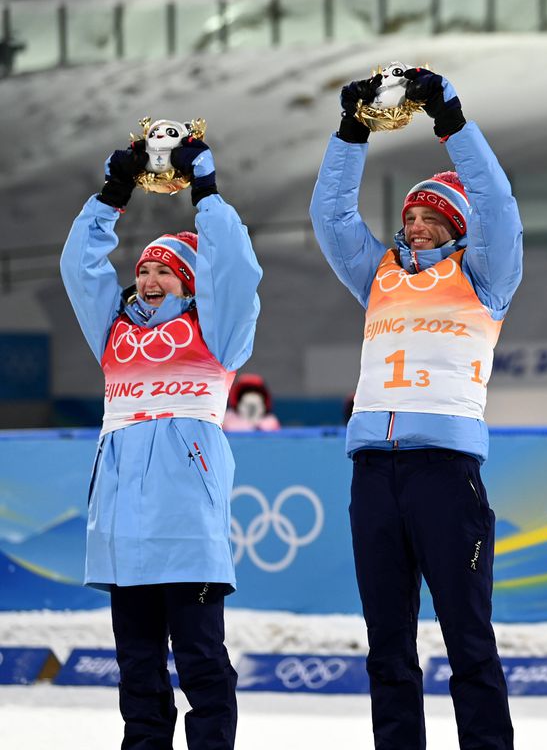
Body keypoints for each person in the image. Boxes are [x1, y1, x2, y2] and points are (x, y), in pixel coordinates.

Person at [310, 66, 521, 750]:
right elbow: (331, 215)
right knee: (387, 645)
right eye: (411, 217)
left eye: (433, 219)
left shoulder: (484, 277)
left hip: (444, 473)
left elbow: (497, 202)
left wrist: (450, 118)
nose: (418, 227)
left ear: (458, 228)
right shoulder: (378, 274)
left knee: (468, 640)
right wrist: (351, 132)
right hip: (374, 473)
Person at [59, 133, 262, 749]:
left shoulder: (217, 331)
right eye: (143, 268)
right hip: (122, 527)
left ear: (191, 282)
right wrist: (112, 196)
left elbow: (238, 271)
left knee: (201, 662)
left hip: (187, 523)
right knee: (138, 670)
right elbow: (78, 267)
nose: (148, 279)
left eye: (165, 271)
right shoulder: (113, 332)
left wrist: (206, 193)